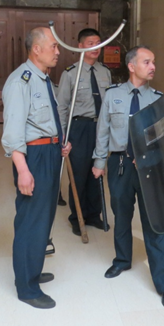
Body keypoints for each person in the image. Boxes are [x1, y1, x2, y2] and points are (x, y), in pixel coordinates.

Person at [92, 45, 164, 309]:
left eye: (154, 62)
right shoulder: (113, 95)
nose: (153, 67)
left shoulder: (158, 99)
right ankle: (122, 261)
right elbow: (103, 129)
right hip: (120, 164)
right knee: (121, 216)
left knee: (157, 222)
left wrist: (154, 159)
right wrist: (99, 161)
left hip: (151, 167)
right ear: (131, 66)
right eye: (147, 62)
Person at [1, 27, 71, 309]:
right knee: (31, 221)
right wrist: (23, 170)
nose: (58, 51)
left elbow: (46, 122)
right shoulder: (21, 81)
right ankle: (27, 288)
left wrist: (59, 141)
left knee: (44, 218)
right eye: (54, 46)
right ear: (36, 49)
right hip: (33, 158)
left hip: (50, 152)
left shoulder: (44, 80)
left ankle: (32, 269)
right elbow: (13, 133)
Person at [57, 28, 112, 236]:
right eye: (90, 43)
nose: (95, 47)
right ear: (80, 46)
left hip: (100, 127)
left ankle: (94, 215)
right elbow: (62, 107)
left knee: (97, 170)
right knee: (79, 174)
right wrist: (63, 135)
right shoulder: (70, 73)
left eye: (98, 43)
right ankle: (77, 217)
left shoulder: (105, 72)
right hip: (79, 128)